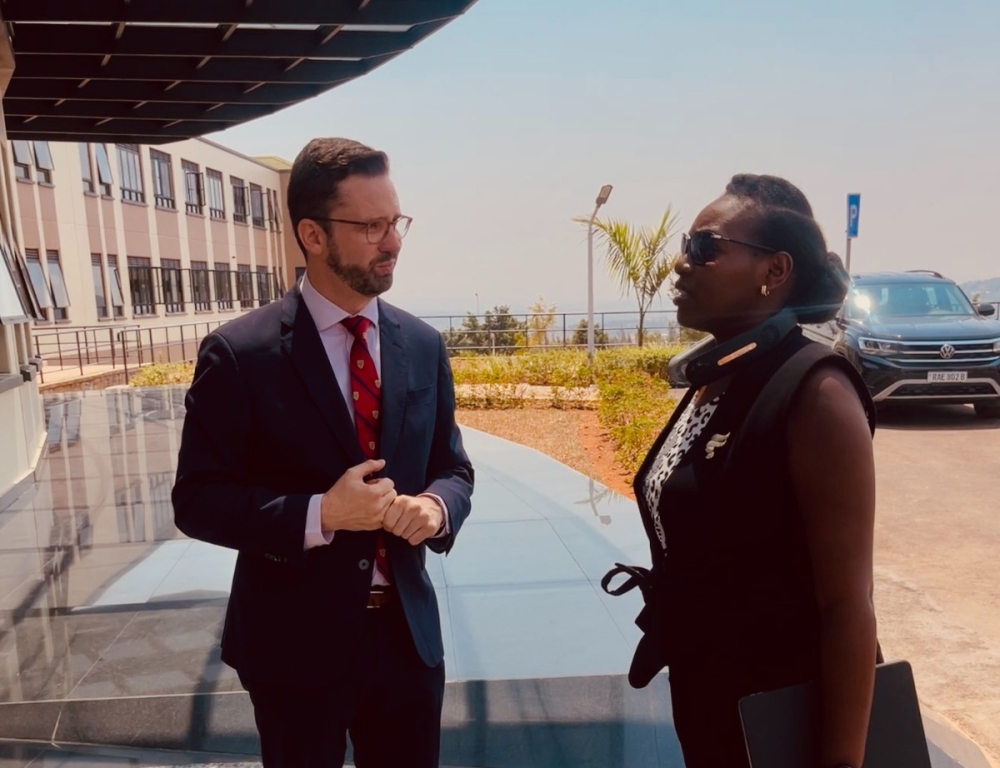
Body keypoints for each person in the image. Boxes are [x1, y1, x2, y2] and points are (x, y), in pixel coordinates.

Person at [172, 138, 474, 768]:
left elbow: (454, 467)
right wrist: (322, 513)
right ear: (312, 234)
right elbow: (197, 501)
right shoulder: (240, 353)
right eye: (370, 226)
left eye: (396, 221)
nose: (392, 241)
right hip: (291, 647)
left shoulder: (421, 344)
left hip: (407, 640)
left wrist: (436, 509)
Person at [629, 174, 878, 768]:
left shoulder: (815, 392)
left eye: (704, 247)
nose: (680, 264)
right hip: (714, 703)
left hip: (782, 720)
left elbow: (848, 605)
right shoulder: (718, 375)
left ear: (775, 271)